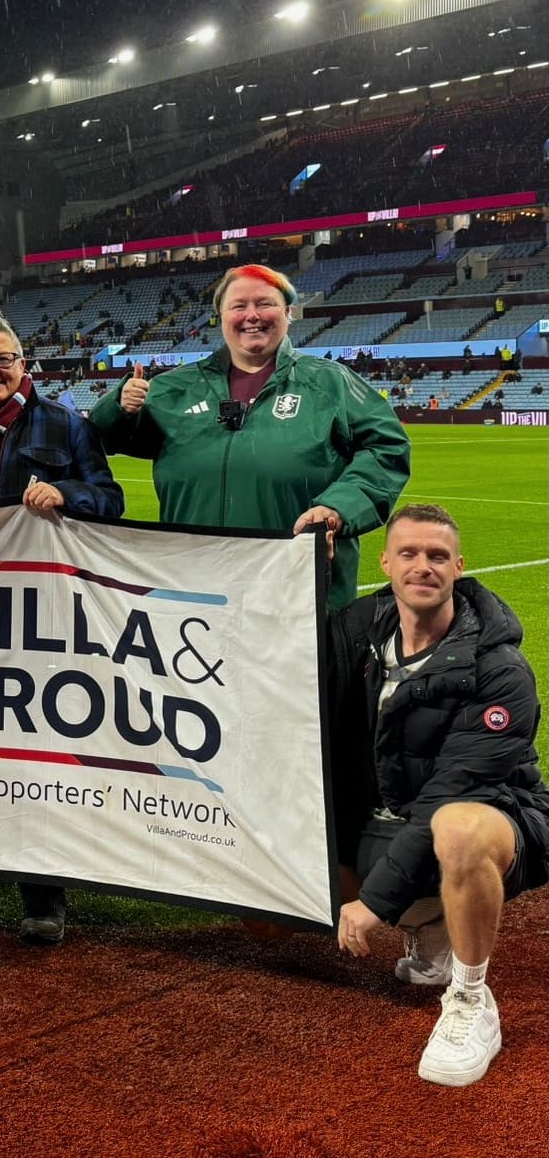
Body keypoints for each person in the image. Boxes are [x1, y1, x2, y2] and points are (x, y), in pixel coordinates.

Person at [0, 310, 124, 946]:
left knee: (31, 744)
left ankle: (43, 886)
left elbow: (110, 497)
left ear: (23, 364)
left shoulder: (65, 424)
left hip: (36, 610)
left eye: (3, 359)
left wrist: (66, 493)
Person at [331, 504, 549, 1087]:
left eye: (436, 556)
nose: (422, 566)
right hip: (389, 815)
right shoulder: (357, 632)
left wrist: (374, 901)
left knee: (457, 829)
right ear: (385, 563)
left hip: (501, 815)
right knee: (268, 924)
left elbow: (448, 796)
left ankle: (472, 999)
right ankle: (429, 931)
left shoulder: (500, 671)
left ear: (459, 567)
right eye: (408, 553)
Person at [89, 264, 411, 608]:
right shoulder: (173, 388)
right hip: (195, 591)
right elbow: (99, 439)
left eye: (265, 304)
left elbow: (387, 448)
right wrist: (120, 406)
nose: (252, 315)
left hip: (299, 596)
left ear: (288, 313)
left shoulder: (332, 382)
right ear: (221, 316)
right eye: (238, 306)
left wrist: (339, 507)